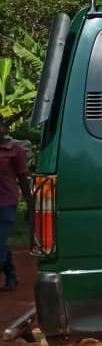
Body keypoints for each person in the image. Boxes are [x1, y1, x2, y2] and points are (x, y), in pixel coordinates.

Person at [0, 115, 32, 292]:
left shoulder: (14, 150)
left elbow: (23, 178)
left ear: (4, 128)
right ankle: (11, 275)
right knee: (2, 243)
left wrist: (30, 202)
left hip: (6, 202)